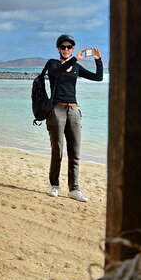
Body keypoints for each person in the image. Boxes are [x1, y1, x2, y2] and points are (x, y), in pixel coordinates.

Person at [45, 34, 103, 202]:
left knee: (75, 151)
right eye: (63, 47)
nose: (66, 49)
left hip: (74, 110)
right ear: (58, 48)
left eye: (69, 47)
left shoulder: (76, 67)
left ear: (73, 48)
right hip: (57, 109)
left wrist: (98, 60)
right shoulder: (53, 64)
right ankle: (54, 185)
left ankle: (74, 189)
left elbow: (98, 77)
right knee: (58, 150)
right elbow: (56, 73)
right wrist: (74, 59)